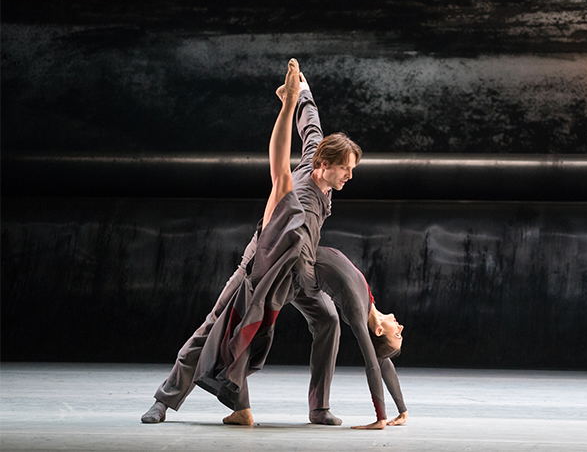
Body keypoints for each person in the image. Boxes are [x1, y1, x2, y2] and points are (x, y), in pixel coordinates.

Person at [141, 59, 360, 426]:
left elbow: (311, 125)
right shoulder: (302, 198)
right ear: (324, 164)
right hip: (264, 267)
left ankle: (319, 407)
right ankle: (164, 400)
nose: (350, 176)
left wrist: (302, 90)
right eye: (345, 169)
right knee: (215, 327)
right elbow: (282, 184)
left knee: (328, 319)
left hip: (298, 271)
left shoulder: (314, 161)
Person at [314, 247, 408, 430]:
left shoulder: (358, 313)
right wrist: (402, 410)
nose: (401, 327)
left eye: (398, 334)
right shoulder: (369, 307)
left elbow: (373, 364)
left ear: (379, 331)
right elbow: (384, 363)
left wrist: (381, 418)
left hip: (305, 262)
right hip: (314, 251)